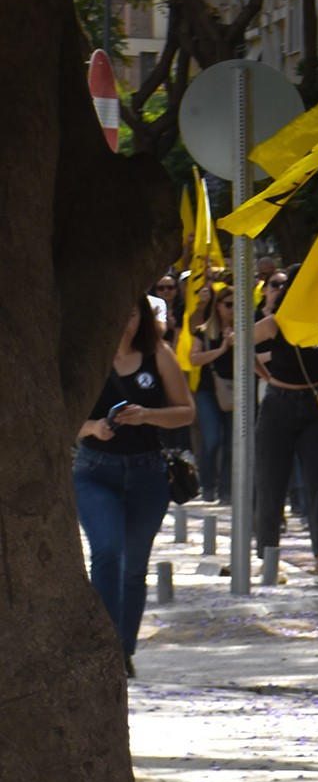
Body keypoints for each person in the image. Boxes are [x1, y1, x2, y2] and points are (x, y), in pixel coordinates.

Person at [77, 296, 194, 666]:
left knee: (134, 568)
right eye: (116, 311)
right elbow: (60, 417)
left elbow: (186, 412)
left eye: (131, 312)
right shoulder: (84, 356)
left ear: (141, 317)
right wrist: (92, 427)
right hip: (96, 472)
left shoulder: (157, 354)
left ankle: (123, 650)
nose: (123, 321)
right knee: (108, 552)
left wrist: (148, 416)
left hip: (147, 474)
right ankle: (104, 648)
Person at [248, 282, 318, 586]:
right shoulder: (276, 323)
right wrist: (267, 377)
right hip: (278, 404)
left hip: (313, 406)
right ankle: (268, 559)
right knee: (271, 484)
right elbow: (242, 343)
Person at [185, 278, 236, 500]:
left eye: (237, 305)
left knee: (232, 444)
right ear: (218, 305)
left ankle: (226, 489)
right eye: (228, 305)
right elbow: (194, 359)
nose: (233, 310)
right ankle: (207, 486)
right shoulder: (205, 332)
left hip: (236, 391)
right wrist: (223, 348)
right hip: (208, 391)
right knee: (212, 439)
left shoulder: (247, 330)